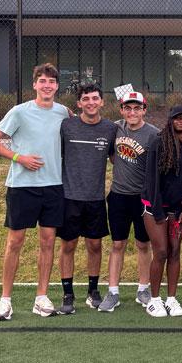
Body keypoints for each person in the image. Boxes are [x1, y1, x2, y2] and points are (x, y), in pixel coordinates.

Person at [0, 63, 68, 320]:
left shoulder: (63, 112)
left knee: (47, 242)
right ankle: (5, 301)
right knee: (15, 242)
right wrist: (18, 157)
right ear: (34, 84)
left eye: (51, 82)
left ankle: (41, 297)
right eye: (42, 81)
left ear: (57, 86)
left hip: (53, 187)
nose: (47, 85)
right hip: (22, 187)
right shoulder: (19, 112)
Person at [56, 82, 117, 314]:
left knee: (94, 244)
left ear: (102, 102)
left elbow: (115, 157)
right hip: (69, 196)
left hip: (95, 198)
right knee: (68, 245)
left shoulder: (110, 128)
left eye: (95, 98)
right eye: (86, 99)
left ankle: (93, 292)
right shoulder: (66, 126)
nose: (91, 103)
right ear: (79, 103)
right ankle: (68, 294)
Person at [98, 91, 159, 312]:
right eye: (128, 108)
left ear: (144, 109)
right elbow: (112, 156)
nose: (132, 112)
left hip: (142, 198)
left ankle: (143, 289)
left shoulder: (153, 134)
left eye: (137, 108)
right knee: (117, 244)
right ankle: (113, 292)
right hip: (118, 196)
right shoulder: (115, 128)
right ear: (121, 109)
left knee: (144, 244)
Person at [142, 106, 182, 318]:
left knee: (175, 251)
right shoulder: (158, 142)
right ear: (171, 121)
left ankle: (171, 299)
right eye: (178, 118)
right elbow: (151, 180)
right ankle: (154, 300)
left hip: (178, 211)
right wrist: (157, 212)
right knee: (162, 252)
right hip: (156, 208)